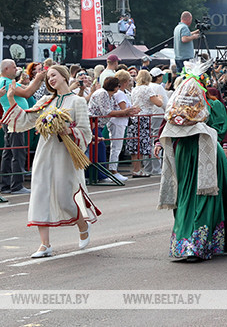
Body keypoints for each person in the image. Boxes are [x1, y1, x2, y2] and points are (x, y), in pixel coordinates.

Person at [3, 65, 100, 258]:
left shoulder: (78, 102)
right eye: (48, 77)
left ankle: (83, 225)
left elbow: (86, 132)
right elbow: (26, 119)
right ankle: (44, 244)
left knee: (66, 197)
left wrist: (68, 131)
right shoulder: (46, 100)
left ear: (64, 76)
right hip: (45, 152)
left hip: (66, 154)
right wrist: (11, 98)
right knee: (40, 194)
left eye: (54, 75)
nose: (51, 79)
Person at [155, 61, 227, 261]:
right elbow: (220, 130)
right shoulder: (205, 106)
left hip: (198, 152)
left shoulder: (183, 107)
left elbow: (166, 127)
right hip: (198, 152)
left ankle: (195, 244)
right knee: (197, 196)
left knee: (197, 196)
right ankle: (197, 243)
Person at [1, 59, 46, 195]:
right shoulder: (6, 82)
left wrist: (34, 82)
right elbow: (27, 93)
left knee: (8, 153)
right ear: (6, 69)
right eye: (14, 67)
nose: (16, 69)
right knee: (18, 152)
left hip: (13, 119)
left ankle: (6, 184)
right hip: (15, 120)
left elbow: (26, 90)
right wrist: (37, 79)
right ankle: (16, 185)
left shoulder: (6, 82)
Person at [129, 70, 163, 178]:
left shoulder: (135, 89)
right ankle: (139, 169)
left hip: (135, 117)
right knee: (142, 144)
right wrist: (160, 97)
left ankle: (137, 169)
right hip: (144, 118)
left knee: (135, 144)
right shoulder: (148, 89)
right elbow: (159, 103)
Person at [106, 70, 136, 182]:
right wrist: (132, 110)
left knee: (117, 146)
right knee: (116, 146)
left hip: (120, 122)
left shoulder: (120, 93)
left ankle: (114, 169)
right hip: (117, 122)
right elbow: (124, 110)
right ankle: (113, 170)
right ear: (125, 81)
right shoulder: (120, 93)